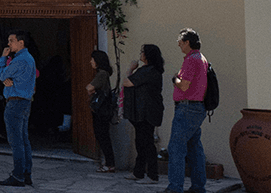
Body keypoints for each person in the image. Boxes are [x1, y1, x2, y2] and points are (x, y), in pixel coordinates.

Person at [166, 28, 209, 193]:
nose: (178, 44)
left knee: (176, 148)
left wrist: (175, 79)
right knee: (194, 148)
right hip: (197, 107)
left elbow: (184, 85)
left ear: (187, 42)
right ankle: (198, 187)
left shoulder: (191, 60)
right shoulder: (201, 58)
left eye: (180, 41)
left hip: (187, 107)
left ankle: (175, 188)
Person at [0, 29, 35, 187]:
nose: (8, 44)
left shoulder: (19, 60)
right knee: (23, 140)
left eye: (11, 41)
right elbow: (8, 76)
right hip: (25, 102)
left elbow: (2, 74)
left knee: (16, 141)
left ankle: (18, 175)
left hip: (16, 103)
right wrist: (7, 78)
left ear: (21, 42)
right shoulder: (28, 58)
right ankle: (26, 174)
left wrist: (2, 59)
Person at [123, 44, 164, 184]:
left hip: (147, 113)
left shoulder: (150, 71)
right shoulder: (146, 70)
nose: (140, 54)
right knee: (140, 142)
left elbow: (127, 82)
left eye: (142, 52)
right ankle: (138, 172)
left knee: (147, 143)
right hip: (141, 113)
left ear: (148, 55)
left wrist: (130, 68)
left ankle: (153, 175)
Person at [86, 50, 115, 173]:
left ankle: (110, 163)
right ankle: (108, 162)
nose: (90, 62)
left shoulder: (102, 74)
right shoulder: (103, 74)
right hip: (101, 110)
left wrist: (90, 90)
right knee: (102, 136)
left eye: (92, 59)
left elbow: (89, 88)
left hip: (101, 111)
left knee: (102, 136)